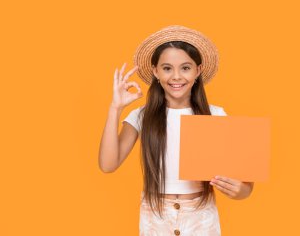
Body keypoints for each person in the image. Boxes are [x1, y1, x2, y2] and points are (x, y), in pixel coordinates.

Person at [98, 25, 254, 236]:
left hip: (201, 217)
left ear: (198, 70)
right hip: (155, 217)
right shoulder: (142, 116)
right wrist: (115, 108)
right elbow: (108, 164)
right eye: (167, 68)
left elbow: (245, 186)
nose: (176, 76)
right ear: (155, 71)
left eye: (186, 68)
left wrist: (240, 191)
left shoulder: (215, 115)